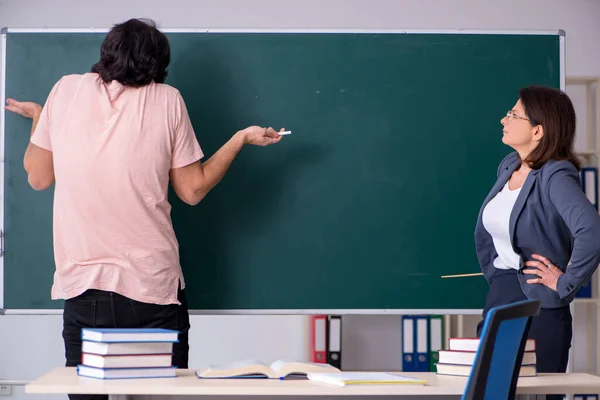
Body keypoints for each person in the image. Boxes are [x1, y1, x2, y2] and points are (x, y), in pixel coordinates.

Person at [5, 18, 284, 400]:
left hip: (84, 293)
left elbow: (38, 177)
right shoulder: (167, 99)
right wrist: (239, 139)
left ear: (107, 51)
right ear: (157, 65)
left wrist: (41, 117)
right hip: (152, 291)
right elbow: (192, 190)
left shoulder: (65, 91)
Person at [474, 85, 600, 386]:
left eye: (513, 114)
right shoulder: (508, 166)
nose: (504, 120)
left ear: (538, 131)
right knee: (490, 390)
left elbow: (591, 231)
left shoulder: (555, 174)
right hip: (500, 297)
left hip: (539, 306)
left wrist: (565, 282)